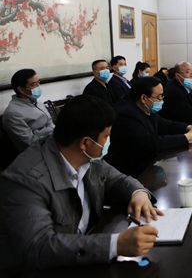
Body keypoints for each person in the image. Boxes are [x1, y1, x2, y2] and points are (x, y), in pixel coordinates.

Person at [0, 95, 161, 272]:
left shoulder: (86, 157)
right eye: (106, 136)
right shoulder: (26, 181)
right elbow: (39, 247)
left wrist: (138, 194)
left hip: (83, 255)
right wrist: (115, 244)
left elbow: (118, 179)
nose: (108, 141)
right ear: (85, 142)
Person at [105, 77, 192, 177]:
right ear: (144, 98)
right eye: (159, 97)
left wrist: (189, 127)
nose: (161, 101)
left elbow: (165, 125)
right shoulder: (126, 116)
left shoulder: (145, 108)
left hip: (146, 164)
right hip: (130, 171)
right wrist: (188, 136)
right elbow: (152, 143)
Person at [2, 69, 54, 152]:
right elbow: (30, 142)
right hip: (36, 152)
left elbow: (50, 123)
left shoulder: (38, 103)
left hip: (52, 142)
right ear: (21, 89)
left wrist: (41, 132)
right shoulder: (13, 113)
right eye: (34, 84)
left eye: (38, 82)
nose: (38, 86)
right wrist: (51, 133)